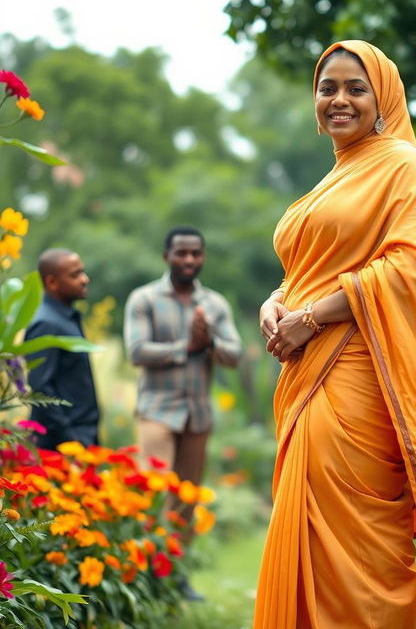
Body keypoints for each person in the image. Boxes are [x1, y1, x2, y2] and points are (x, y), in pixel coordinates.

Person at [255, 40, 416, 629]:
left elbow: (412, 269)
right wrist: (276, 302)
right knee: (308, 534)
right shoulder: (336, 177)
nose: (340, 100)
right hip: (307, 372)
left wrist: (310, 318)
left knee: (360, 544)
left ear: (384, 97)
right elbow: (307, 265)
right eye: (329, 88)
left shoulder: (405, 167)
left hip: (357, 380)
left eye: (357, 88)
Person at [123, 226, 242, 599]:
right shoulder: (143, 299)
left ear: (202, 257)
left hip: (197, 415)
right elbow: (137, 351)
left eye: (195, 253)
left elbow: (234, 354)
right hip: (157, 411)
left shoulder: (215, 304)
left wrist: (210, 343)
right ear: (166, 257)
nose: (189, 260)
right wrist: (187, 346)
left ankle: (176, 576)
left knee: (186, 500)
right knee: (155, 495)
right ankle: (144, 575)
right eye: (181, 253)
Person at [25, 248, 100, 450]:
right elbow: (40, 388)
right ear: (52, 282)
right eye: (75, 275)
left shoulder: (66, 317)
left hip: (81, 435)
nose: (85, 279)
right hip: (61, 444)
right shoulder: (46, 324)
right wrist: (69, 438)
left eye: (82, 272)